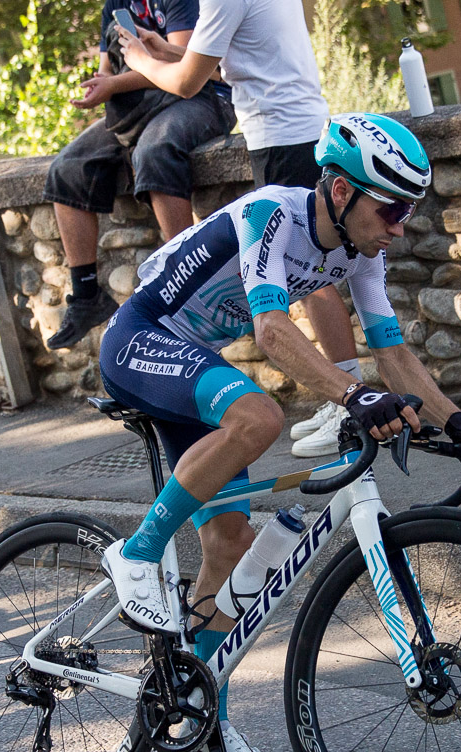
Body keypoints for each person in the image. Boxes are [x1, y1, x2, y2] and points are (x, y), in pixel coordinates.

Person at [97, 114, 461, 752]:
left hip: (190, 359)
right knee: (259, 415)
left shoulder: (357, 249)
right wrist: (351, 396)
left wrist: (459, 421)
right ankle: (137, 551)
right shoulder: (273, 216)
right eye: (392, 208)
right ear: (342, 192)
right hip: (139, 340)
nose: (401, 225)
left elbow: (392, 351)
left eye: (408, 210)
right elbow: (270, 329)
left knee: (229, 545)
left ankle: (208, 716)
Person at [117, 0, 360, 459]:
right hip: (300, 128)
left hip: (282, 134)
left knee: (313, 276)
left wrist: (140, 60)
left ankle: (346, 402)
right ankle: (345, 396)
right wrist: (164, 52)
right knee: (312, 271)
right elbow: (220, 66)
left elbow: (187, 84)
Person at [45, 0, 236, 350]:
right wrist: (101, 84)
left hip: (201, 96)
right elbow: (109, 68)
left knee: (155, 152)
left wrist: (115, 85)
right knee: (68, 167)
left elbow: (185, 65)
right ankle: (87, 295)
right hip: (139, 102)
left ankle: (190, 282)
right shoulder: (114, 5)